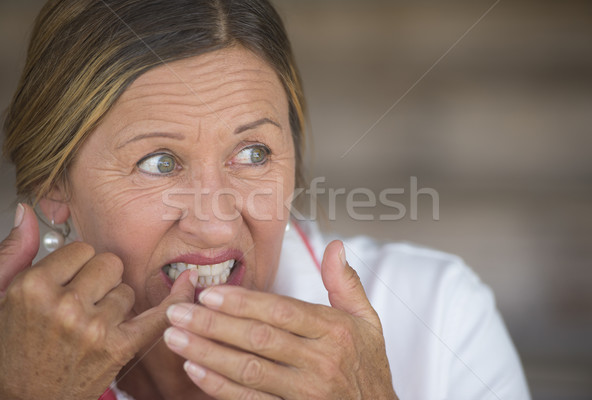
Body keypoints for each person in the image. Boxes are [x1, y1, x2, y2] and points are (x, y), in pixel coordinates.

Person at [0, 0, 530, 399]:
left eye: (253, 153)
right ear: (54, 184)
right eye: (160, 162)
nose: (214, 225)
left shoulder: (441, 310)